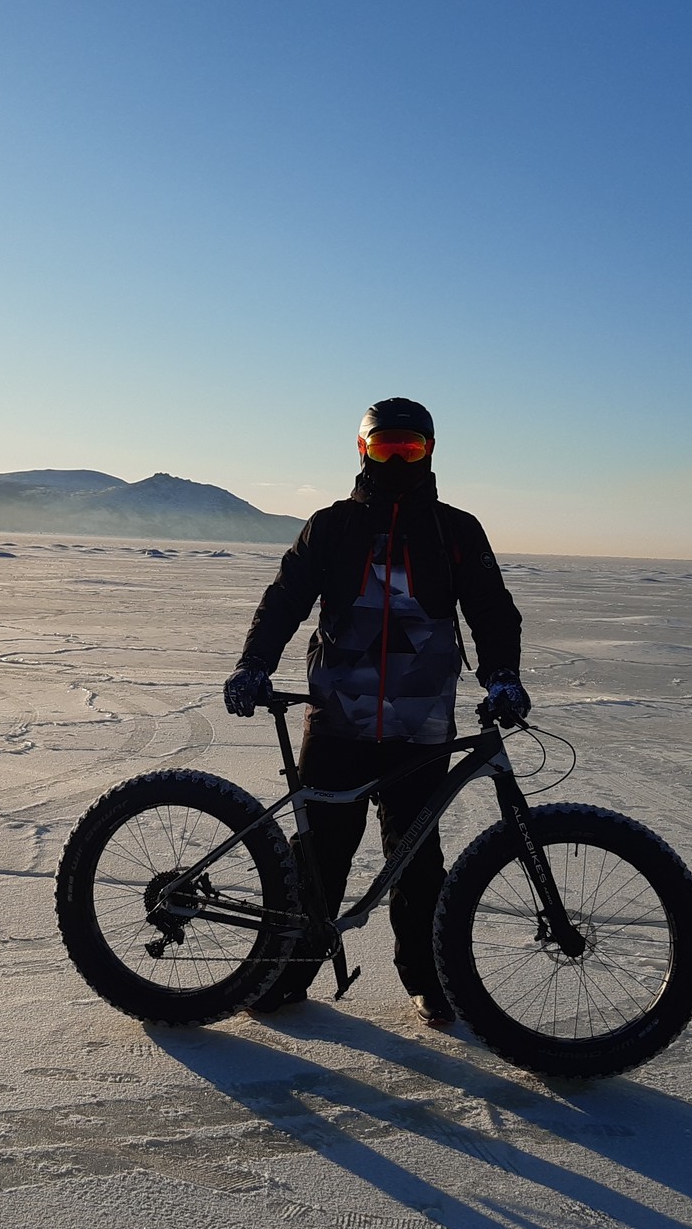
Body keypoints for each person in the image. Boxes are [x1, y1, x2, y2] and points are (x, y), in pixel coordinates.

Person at [222, 398, 530, 1027]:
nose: (395, 460)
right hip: (337, 717)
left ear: (430, 452)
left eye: (408, 449)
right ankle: (288, 975)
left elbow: (492, 609)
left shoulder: (455, 530)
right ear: (361, 451)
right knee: (320, 855)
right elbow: (284, 600)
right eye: (383, 447)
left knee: (418, 859)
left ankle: (428, 980)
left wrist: (502, 675)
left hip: (421, 725)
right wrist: (254, 663)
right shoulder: (331, 525)